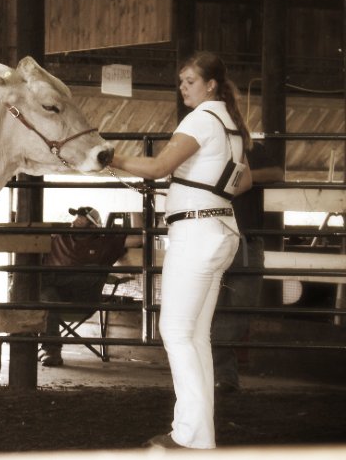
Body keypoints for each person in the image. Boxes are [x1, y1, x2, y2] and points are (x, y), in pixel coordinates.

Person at [110, 51, 253, 450]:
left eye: (189, 80)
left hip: (196, 232)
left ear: (210, 85)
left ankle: (190, 436)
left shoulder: (201, 119)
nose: (183, 87)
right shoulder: (232, 127)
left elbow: (158, 168)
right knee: (195, 335)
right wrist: (201, 182)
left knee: (175, 331)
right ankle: (196, 435)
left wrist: (111, 158)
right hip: (221, 228)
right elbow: (243, 183)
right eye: (181, 81)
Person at [212, 140, 283, 394]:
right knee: (215, 307)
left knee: (239, 307)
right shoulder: (202, 144)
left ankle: (220, 373)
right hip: (214, 238)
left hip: (245, 238)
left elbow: (277, 173)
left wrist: (241, 177)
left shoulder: (250, 146)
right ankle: (224, 376)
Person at [38, 206, 140, 367]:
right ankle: (52, 351)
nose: (76, 219)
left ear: (93, 225)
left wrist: (137, 206)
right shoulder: (59, 236)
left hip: (83, 298)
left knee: (91, 272)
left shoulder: (104, 241)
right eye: (76, 216)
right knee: (47, 296)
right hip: (56, 298)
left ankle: (46, 277)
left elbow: (139, 239)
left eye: (82, 217)